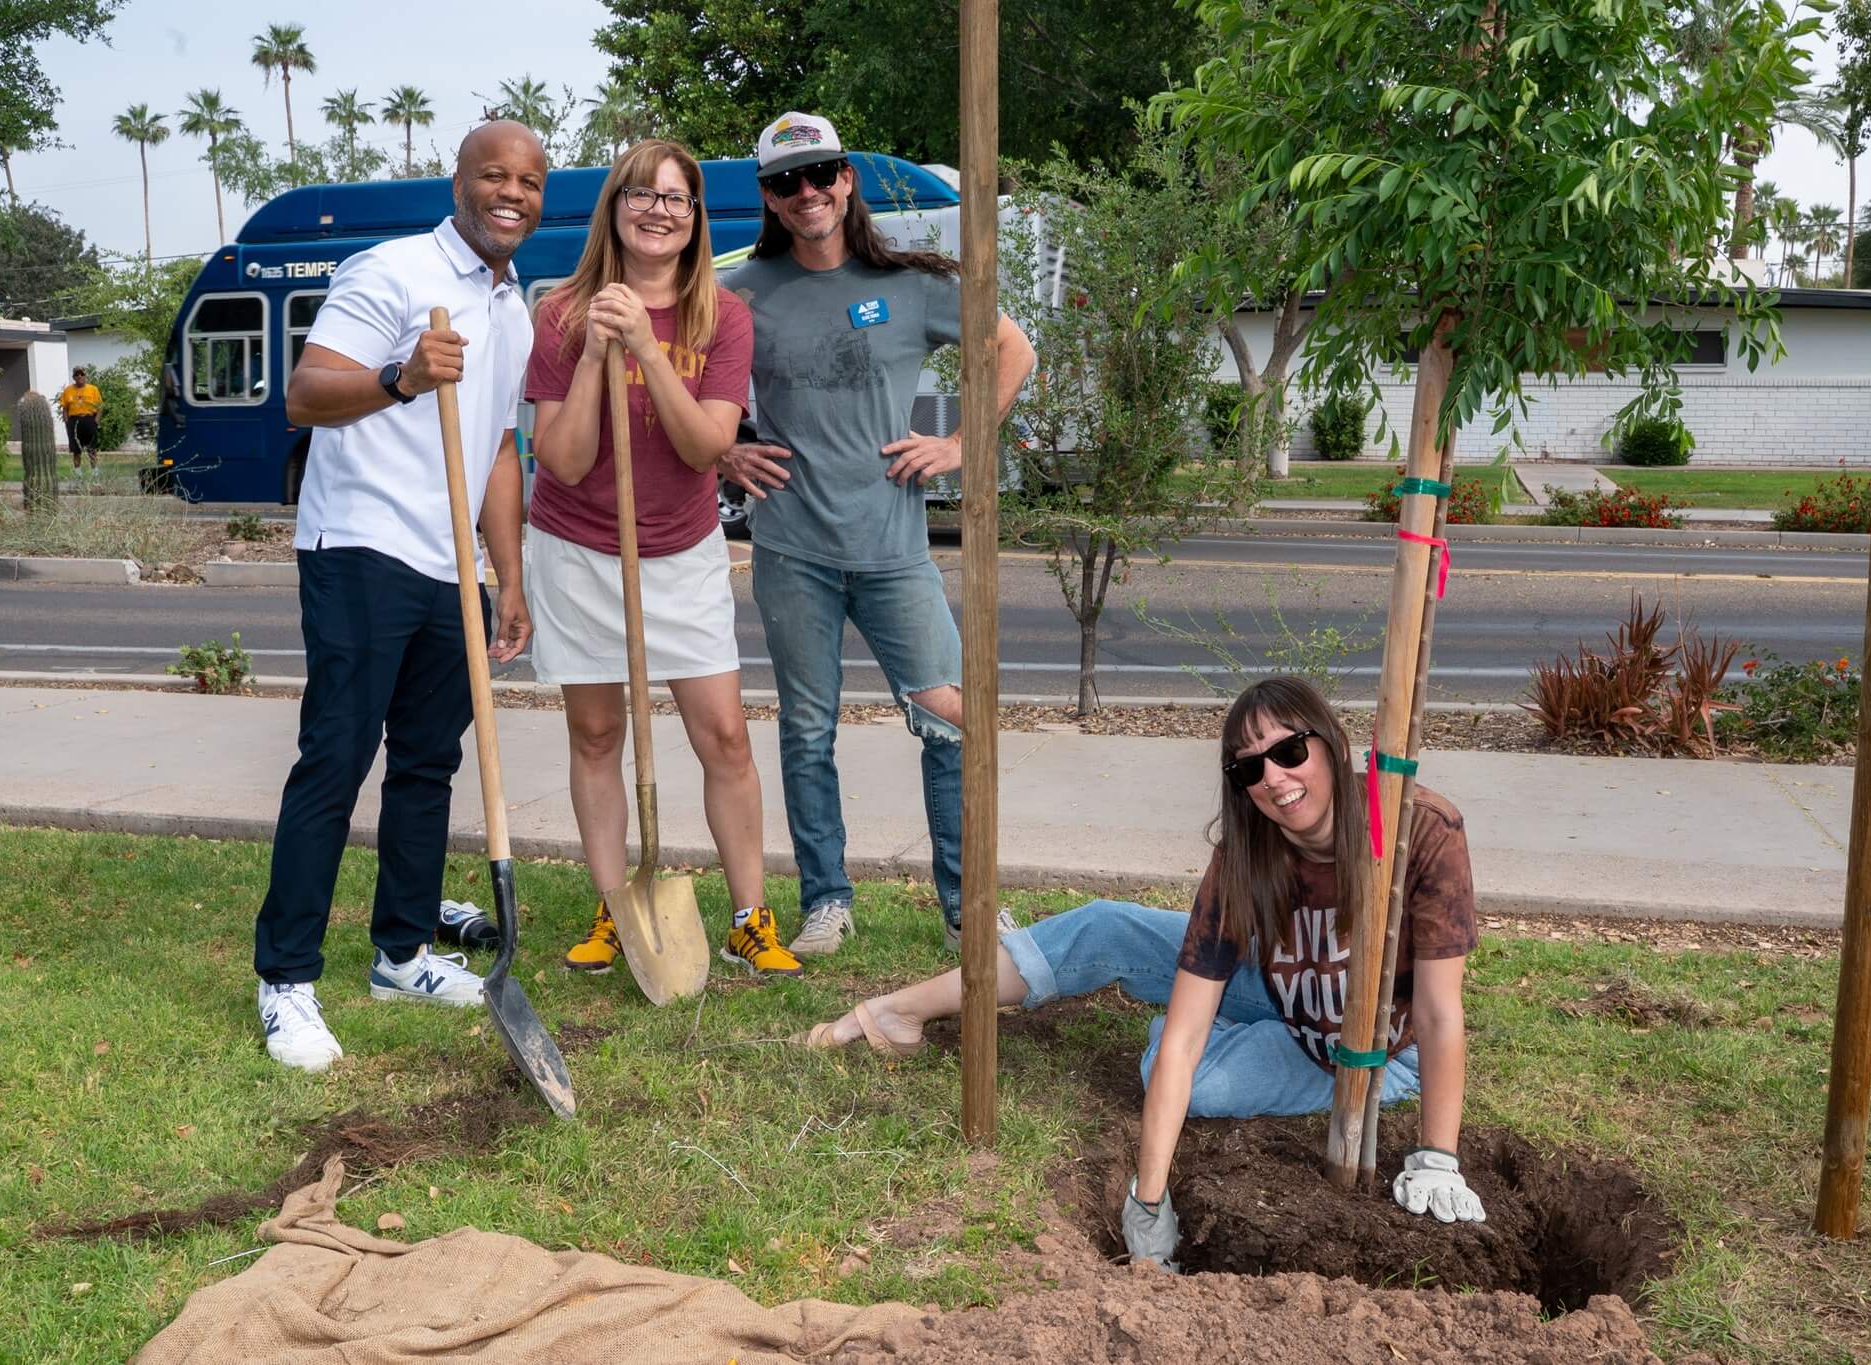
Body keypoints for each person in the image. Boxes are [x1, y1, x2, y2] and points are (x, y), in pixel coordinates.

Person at [806, 676, 1488, 1261]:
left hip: (1361, 1049)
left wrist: (1437, 1155)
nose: (1274, 780)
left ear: (1330, 743)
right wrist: (1147, 1199)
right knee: (1107, 926)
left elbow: (1435, 1012)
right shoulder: (1247, 856)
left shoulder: (1414, 830)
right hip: (1273, 986)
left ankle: (1190, 1048)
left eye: (1288, 751)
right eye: (1249, 768)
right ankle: (897, 1011)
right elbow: (1188, 1030)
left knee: (1198, 1081)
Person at [252, 121, 546, 1072]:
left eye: (530, 181)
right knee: (338, 754)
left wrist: (507, 573)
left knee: (429, 760)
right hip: (362, 545)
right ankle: (286, 980)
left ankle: (402, 951)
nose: (513, 193)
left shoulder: (515, 309)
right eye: (495, 175)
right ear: (458, 183)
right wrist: (402, 375)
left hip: (449, 560)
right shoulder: (389, 272)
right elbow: (306, 391)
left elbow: (500, 449)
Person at [719, 112, 1036, 957]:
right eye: (787, 181)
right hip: (791, 553)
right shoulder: (742, 293)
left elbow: (1013, 349)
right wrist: (725, 449)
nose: (807, 192)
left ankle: (970, 907)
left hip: (895, 554)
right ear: (769, 198)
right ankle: (826, 899)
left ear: (847, 178)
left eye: (820, 172)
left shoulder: (911, 283)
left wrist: (961, 444)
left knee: (952, 722)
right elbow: (683, 380)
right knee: (807, 732)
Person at [519, 140, 796, 980]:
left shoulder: (723, 317)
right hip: (575, 548)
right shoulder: (563, 315)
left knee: (724, 737)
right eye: (641, 194)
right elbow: (559, 459)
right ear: (615, 208)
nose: (658, 210)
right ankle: (616, 907)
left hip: (677, 551)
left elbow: (708, 442)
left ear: (695, 219)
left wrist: (645, 345)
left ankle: (749, 917)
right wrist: (603, 347)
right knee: (597, 732)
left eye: (676, 199)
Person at [57, 367, 103, 472]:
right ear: (73, 377)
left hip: (89, 420)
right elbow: (65, 408)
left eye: (81, 374)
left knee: (92, 449)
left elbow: (100, 407)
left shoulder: (93, 389)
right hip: (74, 421)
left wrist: (96, 421)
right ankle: (78, 476)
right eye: (77, 375)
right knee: (76, 451)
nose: (79, 376)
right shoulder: (68, 390)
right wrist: (67, 423)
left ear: (85, 376)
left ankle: (95, 474)